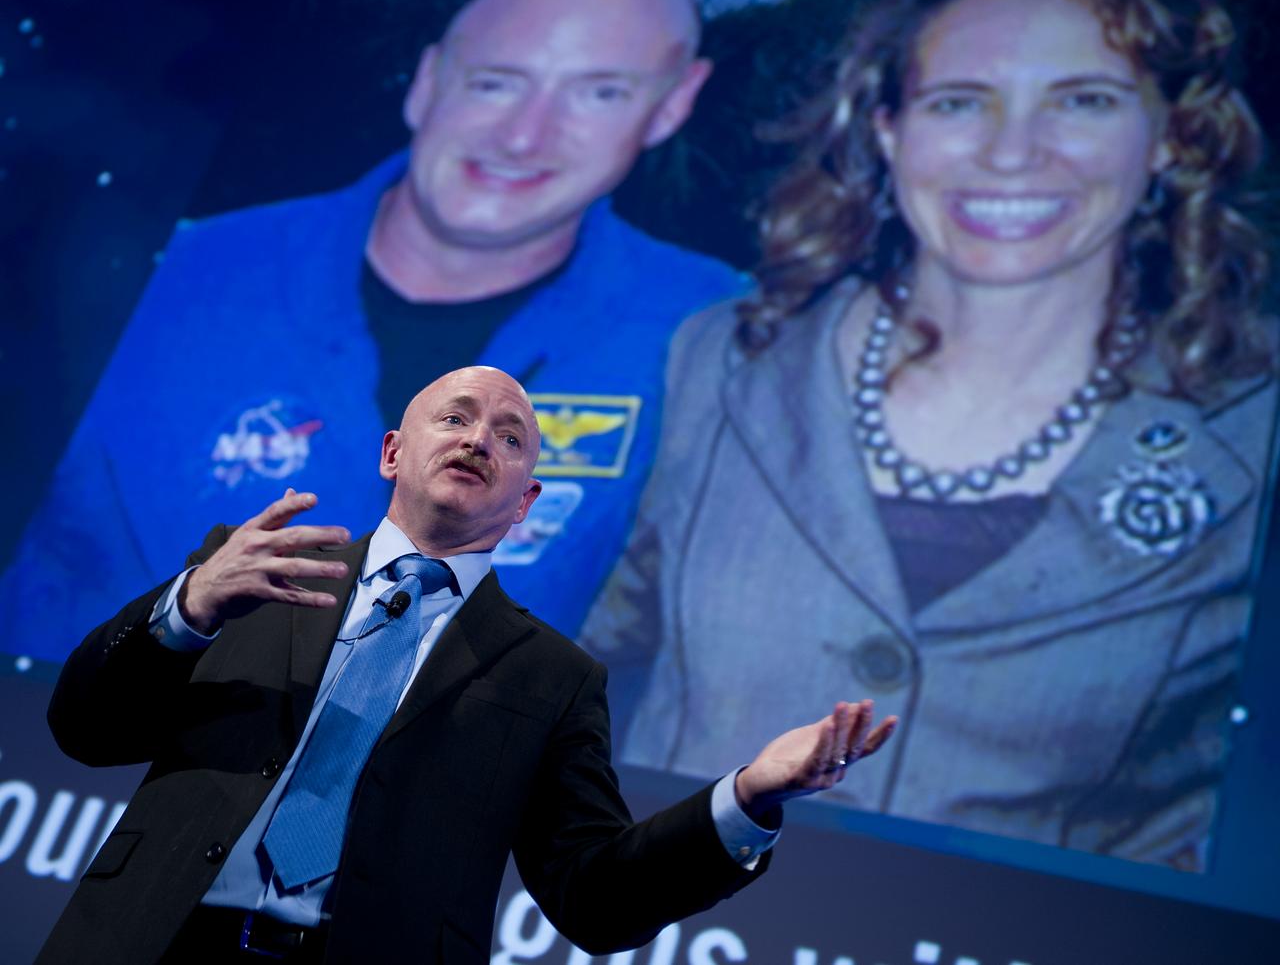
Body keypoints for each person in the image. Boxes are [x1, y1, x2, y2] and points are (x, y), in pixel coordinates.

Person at [578, 0, 1276, 870]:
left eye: (1084, 100)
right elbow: (575, 641)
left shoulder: (1253, 429)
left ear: (1171, 139)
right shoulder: (716, 360)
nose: (1013, 151)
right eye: (958, 102)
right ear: (887, 132)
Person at [0, 0, 743, 665]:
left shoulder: (720, 333)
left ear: (673, 103)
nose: (523, 136)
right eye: (494, 82)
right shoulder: (164, 276)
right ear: (426, 82)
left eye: (599, 93)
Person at [36, 365, 897, 964]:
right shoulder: (252, 566)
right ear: (391, 453)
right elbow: (85, 728)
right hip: (149, 940)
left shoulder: (552, 678)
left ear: (526, 502)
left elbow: (593, 898)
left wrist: (747, 799)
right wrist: (186, 609)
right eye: (454, 418)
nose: (479, 437)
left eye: (511, 436)